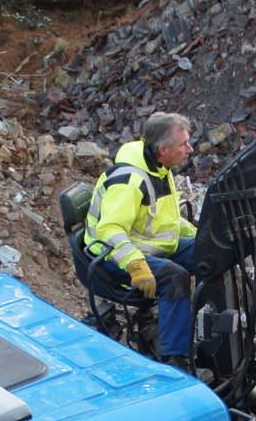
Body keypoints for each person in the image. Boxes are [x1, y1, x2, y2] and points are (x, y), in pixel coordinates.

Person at [84, 111, 200, 370]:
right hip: (114, 254)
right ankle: (175, 360)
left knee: (210, 253)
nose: (190, 149)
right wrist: (135, 264)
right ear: (163, 150)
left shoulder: (159, 169)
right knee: (174, 277)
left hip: (148, 245)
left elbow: (165, 219)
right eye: (183, 144)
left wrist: (200, 235)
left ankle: (213, 328)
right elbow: (110, 229)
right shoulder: (130, 180)